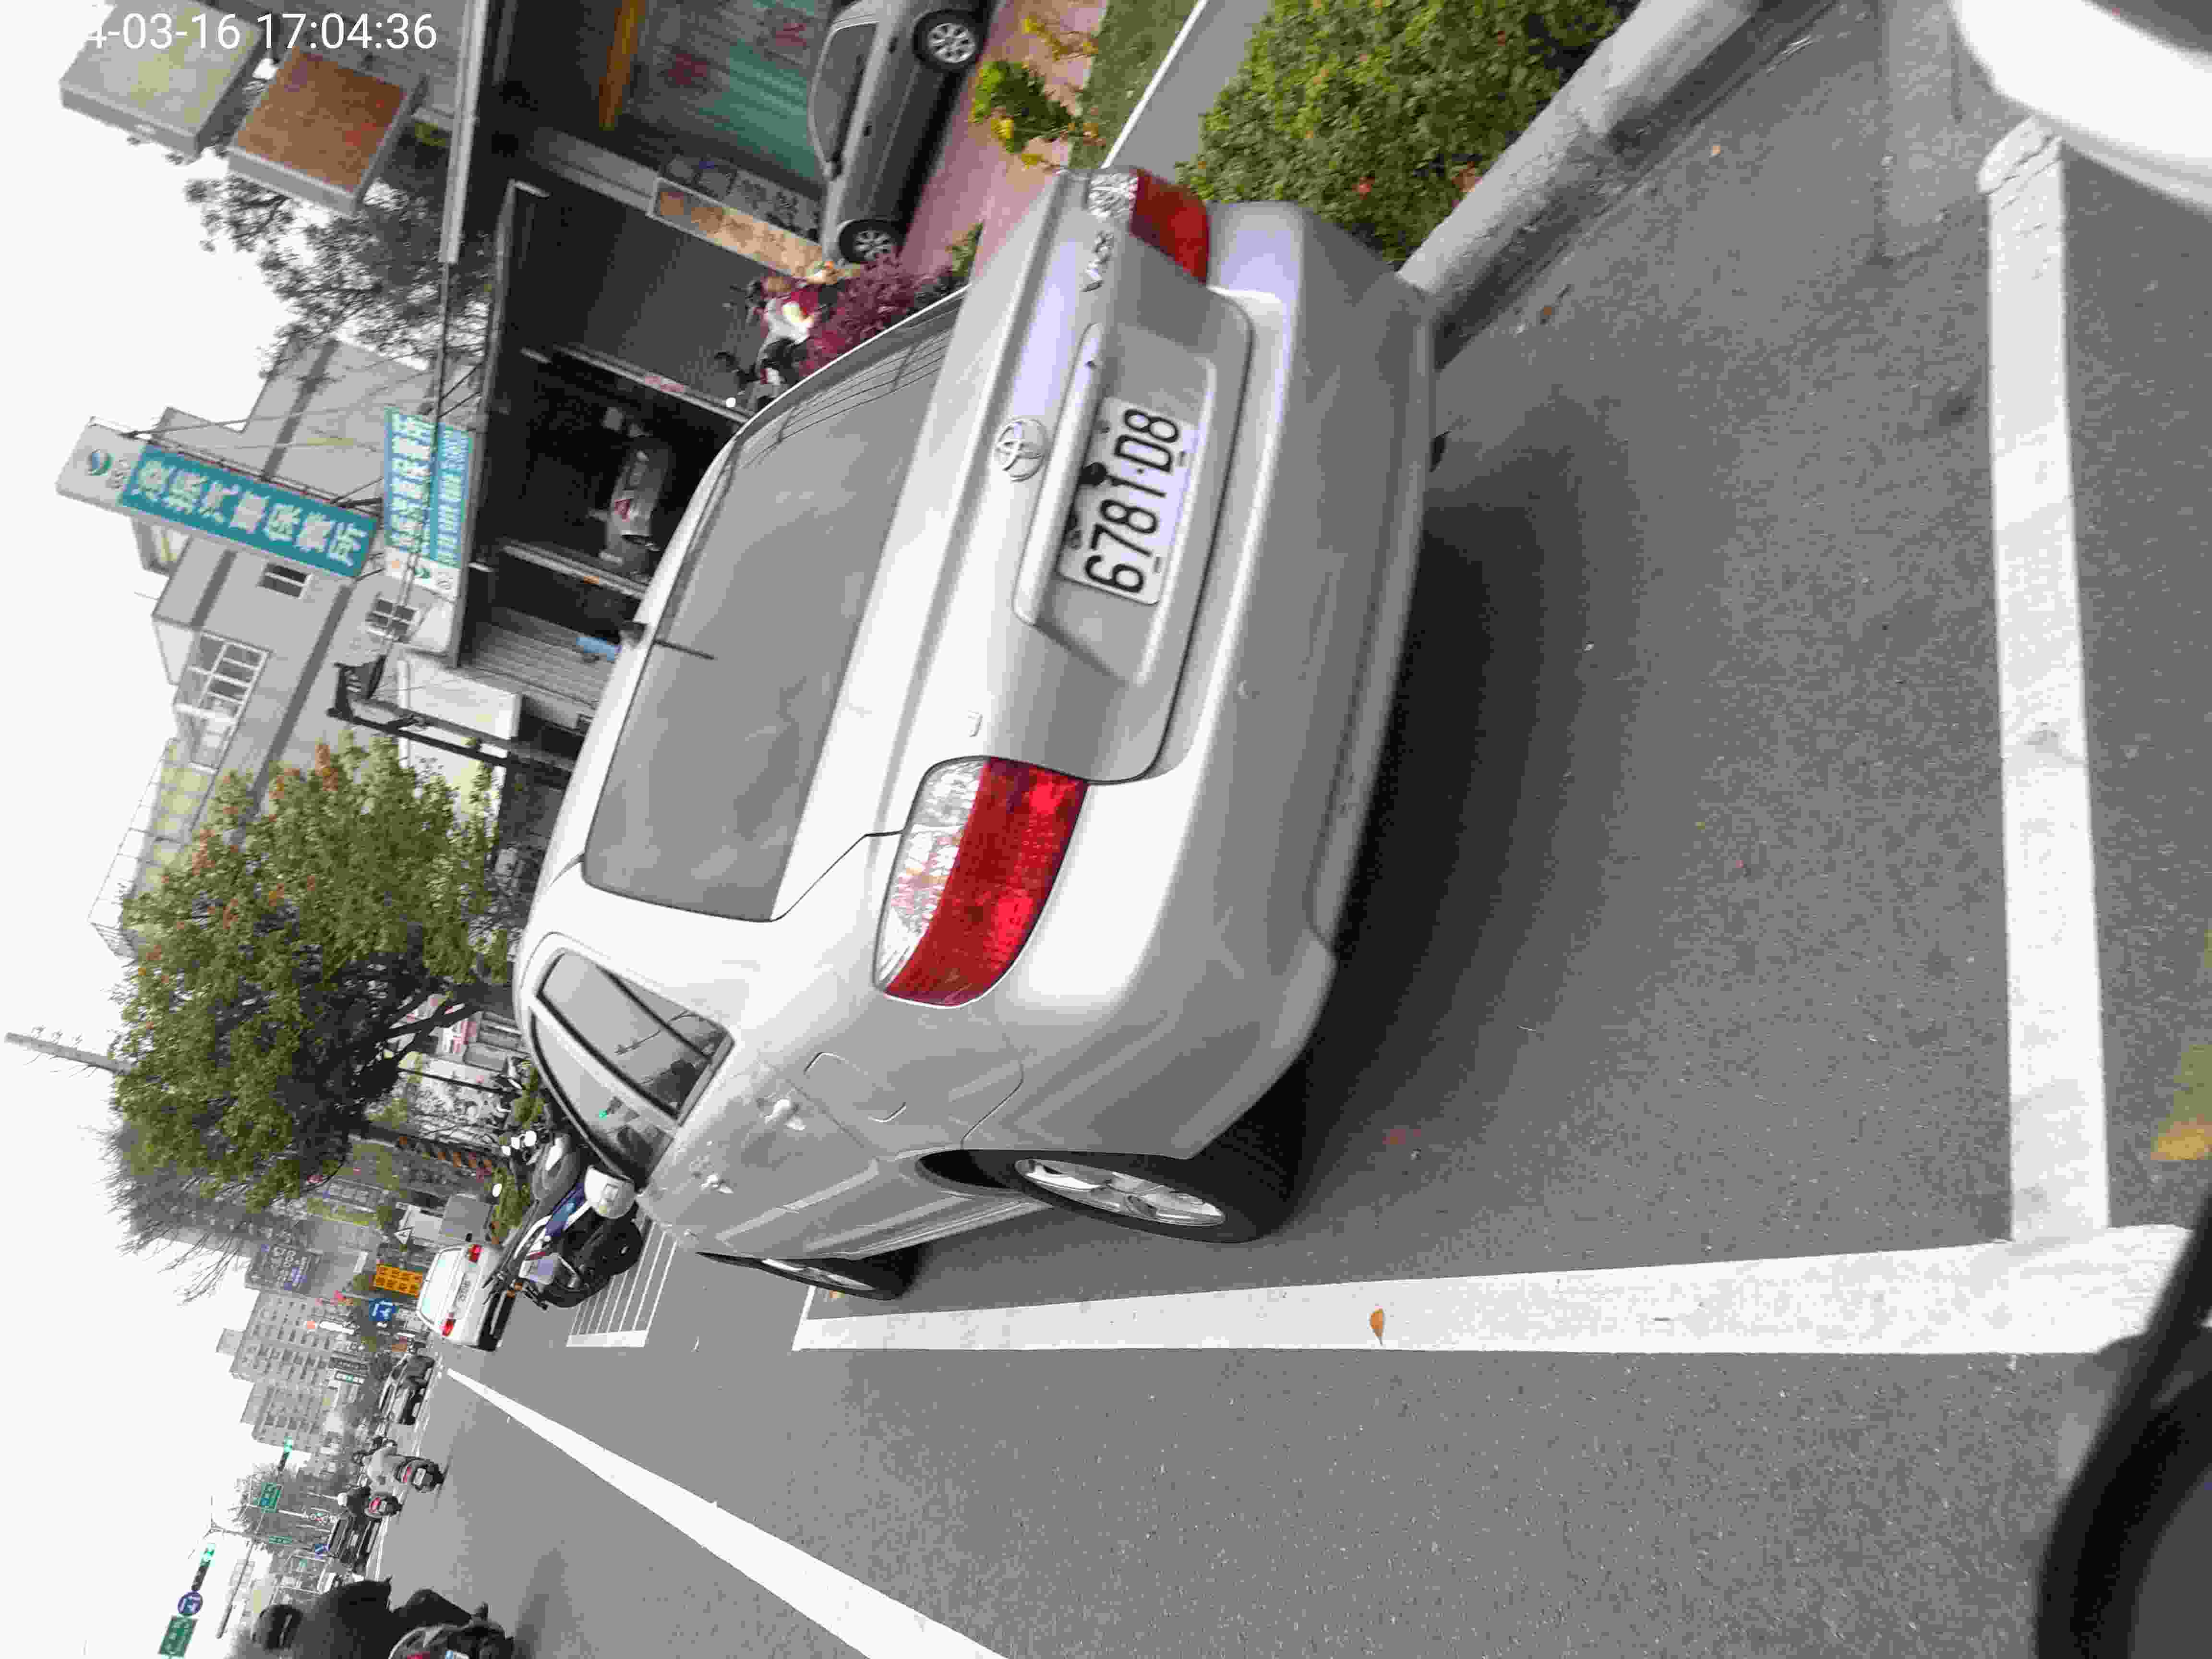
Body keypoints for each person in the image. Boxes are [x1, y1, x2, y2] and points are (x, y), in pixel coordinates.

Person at [254, 1578, 489, 1658]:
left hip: (409, 1645)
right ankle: (476, 1626)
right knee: (424, 1599)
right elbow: (379, 1590)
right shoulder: (327, 1601)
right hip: (405, 1636)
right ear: (288, 1611)